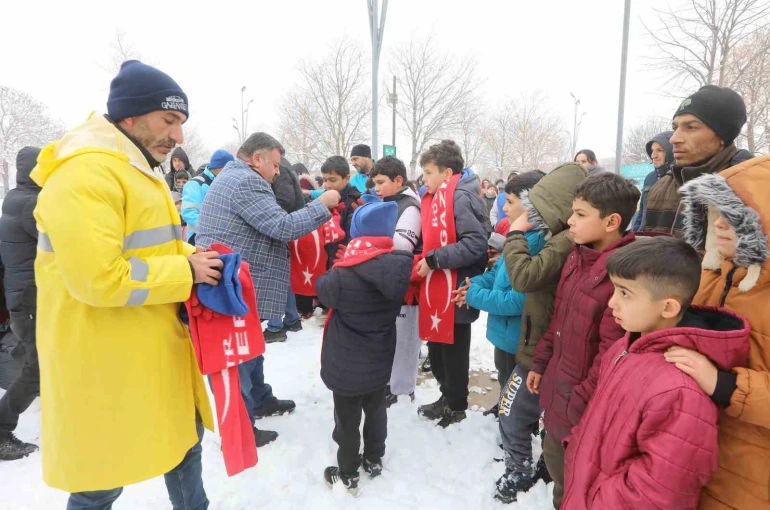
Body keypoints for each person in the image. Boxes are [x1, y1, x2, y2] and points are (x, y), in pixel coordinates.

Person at [31, 60, 223, 509]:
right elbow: (98, 278)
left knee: (184, 449)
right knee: (100, 483)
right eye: (169, 121)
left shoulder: (134, 168)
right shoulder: (85, 173)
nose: (177, 137)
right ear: (130, 117)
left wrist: (195, 257)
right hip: (106, 365)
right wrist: (186, 273)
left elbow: (147, 248)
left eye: (181, 124)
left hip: (149, 352)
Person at [562, 238, 750, 509]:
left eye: (625, 293)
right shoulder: (625, 346)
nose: (612, 302)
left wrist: (597, 498)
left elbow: (661, 492)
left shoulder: (680, 389)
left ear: (668, 308)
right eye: (614, 289)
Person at [196, 132, 341, 447]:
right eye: (275, 165)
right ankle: (242, 427)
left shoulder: (235, 177)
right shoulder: (246, 182)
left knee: (251, 348)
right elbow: (283, 226)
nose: (278, 172)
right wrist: (324, 204)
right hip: (234, 287)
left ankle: (260, 400)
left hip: (233, 283)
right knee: (240, 358)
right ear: (257, 158)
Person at [526, 172, 640, 509]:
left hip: (583, 413)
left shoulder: (624, 276)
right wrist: (541, 362)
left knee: (578, 491)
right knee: (560, 482)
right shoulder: (577, 258)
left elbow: (612, 356)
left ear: (612, 222)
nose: (569, 221)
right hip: (559, 399)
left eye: (580, 214)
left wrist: (575, 404)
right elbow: (558, 321)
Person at [677, 156, 770, 510]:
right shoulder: (709, 277)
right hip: (693, 450)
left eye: (740, 217)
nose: (719, 225)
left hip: (749, 475)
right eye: (715, 212)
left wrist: (725, 385)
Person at [495, 163, 588, 504]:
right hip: (543, 344)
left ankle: (520, 469)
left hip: (544, 349)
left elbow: (524, 278)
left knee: (513, 410)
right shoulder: (560, 236)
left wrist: (516, 232)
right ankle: (537, 466)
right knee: (533, 413)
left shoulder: (564, 241)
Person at [317, 199, 413, 496]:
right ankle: (373, 457)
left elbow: (322, 291)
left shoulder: (343, 276)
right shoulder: (397, 268)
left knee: (347, 420)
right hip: (379, 358)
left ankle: (347, 470)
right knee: (376, 409)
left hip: (346, 365)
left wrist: (340, 263)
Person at [456, 171, 547, 407]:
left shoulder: (538, 243)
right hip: (505, 332)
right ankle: (501, 408)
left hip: (519, 335)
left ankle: (512, 428)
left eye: (510, 202)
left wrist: (474, 296)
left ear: (530, 204)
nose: (504, 209)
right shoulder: (519, 236)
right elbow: (498, 273)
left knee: (517, 388)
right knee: (504, 376)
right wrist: (473, 284)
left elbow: (519, 300)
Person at [415, 140, 488, 428]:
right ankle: (446, 396)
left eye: (429, 172)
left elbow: (475, 244)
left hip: (455, 288)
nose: (424, 179)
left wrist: (433, 260)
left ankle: (456, 406)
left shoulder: (459, 197)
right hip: (438, 286)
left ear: (447, 173)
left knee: (453, 352)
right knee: (438, 350)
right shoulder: (439, 198)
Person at [642, 85, 752, 238]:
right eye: (675, 127)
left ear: (722, 136)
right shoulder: (660, 186)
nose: (674, 138)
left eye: (691, 127)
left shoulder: (751, 187)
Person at [370, 156, 422, 406]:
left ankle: (401, 387)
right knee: (393, 336)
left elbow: (402, 245)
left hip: (407, 284)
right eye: (374, 183)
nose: (376, 188)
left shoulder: (409, 206)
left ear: (398, 180)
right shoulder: (391, 202)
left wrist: (370, 243)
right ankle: (391, 381)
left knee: (405, 338)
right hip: (390, 279)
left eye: (381, 182)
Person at [0, 147, 42, 460]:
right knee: (37, 369)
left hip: (23, 295)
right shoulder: (31, 203)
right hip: (30, 297)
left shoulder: (16, 198)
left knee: (38, 359)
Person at [265, 156, 307, 339]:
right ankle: (291, 319)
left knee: (274, 275)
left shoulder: (279, 169)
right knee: (282, 275)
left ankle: (275, 326)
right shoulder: (283, 166)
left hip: (278, 228)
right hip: (284, 227)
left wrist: (265, 215)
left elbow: (285, 200)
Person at [181, 149, 234, 243]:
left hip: (223, 239)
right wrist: (211, 232)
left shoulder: (227, 183)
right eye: (229, 169)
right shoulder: (195, 184)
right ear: (218, 168)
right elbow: (189, 213)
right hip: (198, 239)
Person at [320, 156, 363, 266]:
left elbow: (353, 237)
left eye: (332, 180)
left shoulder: (355, 202)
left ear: (347, 178)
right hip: (326, 259)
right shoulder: (324, 199)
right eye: (325, 180)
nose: (328, 185)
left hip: (343, 261)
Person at [631, 131, 673, 232]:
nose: (654, 155)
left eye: (660, 150)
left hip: (668, 240)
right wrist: (636, 232)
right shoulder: (649, 178)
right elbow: (642, 211)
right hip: (646, 237)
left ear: (672, 151)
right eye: (652, 150)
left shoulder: (681, 177)